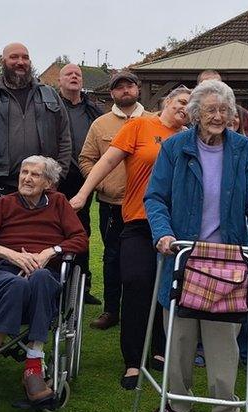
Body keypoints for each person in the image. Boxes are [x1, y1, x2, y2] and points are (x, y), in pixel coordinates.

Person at [145, 80, 248, 412]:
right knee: (180, 339)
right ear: (195, 114)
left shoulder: (243, 149)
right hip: (183, 256)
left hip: (227, 260)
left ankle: (226, 410)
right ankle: (177, 402)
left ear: (232, 114)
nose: (218, 116)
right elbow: (155, 198)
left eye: (224, 110)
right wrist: (163, 233)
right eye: (211, 110)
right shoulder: (174, 148)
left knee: (222, 341)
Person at [70, 87, 191, 389]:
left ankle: (161, 350)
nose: (185, 109)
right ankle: (133, 361)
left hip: (177, 227)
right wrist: (83, 194)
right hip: (138, 221)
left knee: (170, 288)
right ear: (166, 102)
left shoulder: (191, 136)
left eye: (192, 105)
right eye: (181, 102)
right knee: (136, 284)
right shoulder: (139, 125)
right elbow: (107, 162)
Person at [0, 156, 88, 405]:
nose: (26, 178)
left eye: (35, 174)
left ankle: (31, 365)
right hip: (3, 271)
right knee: (17, 284)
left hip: (44, 273)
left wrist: (51, 252)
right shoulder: (4, 204)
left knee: (38, 277)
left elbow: (80, 239)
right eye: (23, 172)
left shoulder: (59, 203)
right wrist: (9, 253)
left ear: (48, 182)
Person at [78, 71, 152, 331]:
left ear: (138, 89)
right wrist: (100, 183)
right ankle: (111, 310)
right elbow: (86, 159)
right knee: (112, 258)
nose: (125, 91)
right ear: (111, 93)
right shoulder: (100, 124)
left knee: (146, 260)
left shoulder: (154, 122)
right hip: (113, 204)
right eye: (119, 88)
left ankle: (144, 312)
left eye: (129, 86)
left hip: (147, 207)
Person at [0, 42, 72, 195]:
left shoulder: (50, 95)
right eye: (14, 57)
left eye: (25, 58)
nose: (20, 62)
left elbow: (65, 139)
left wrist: (56, 178)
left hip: (41, 187)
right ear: (2, 61)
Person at [58, 63, 105, 306]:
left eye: (78, 74)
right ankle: (56, 283)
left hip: (83, 180)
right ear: (60, 80)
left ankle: (82, 287)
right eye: (69, 74)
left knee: (82, 231)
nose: (74, 77)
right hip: (56, 179)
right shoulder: (50, 107)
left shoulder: (93, 110)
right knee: (53, 230)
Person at [197, 70, 248, 142]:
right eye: (207, 85)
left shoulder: (241, 112)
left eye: (216, 85)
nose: (212, 88)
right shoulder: (189, 111)